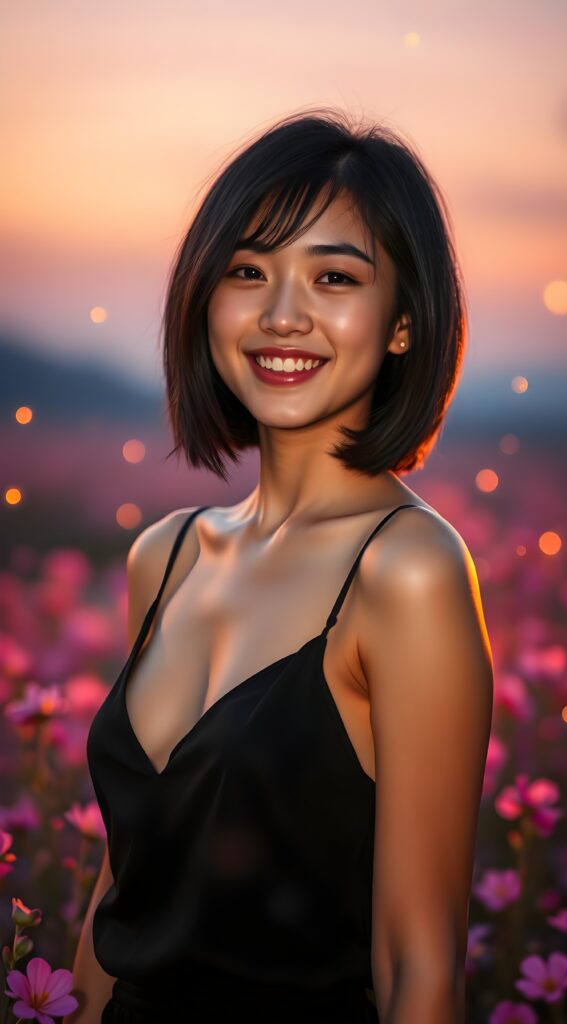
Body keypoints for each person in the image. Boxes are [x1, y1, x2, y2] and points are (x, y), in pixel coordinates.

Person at [66, 107, 493, 1024]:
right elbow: (120, 906)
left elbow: (416, 968)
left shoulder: (407, 573)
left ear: (405, 324)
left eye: (333, 276)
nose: (281, 314)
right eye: (247, 272)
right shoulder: (166, 556)